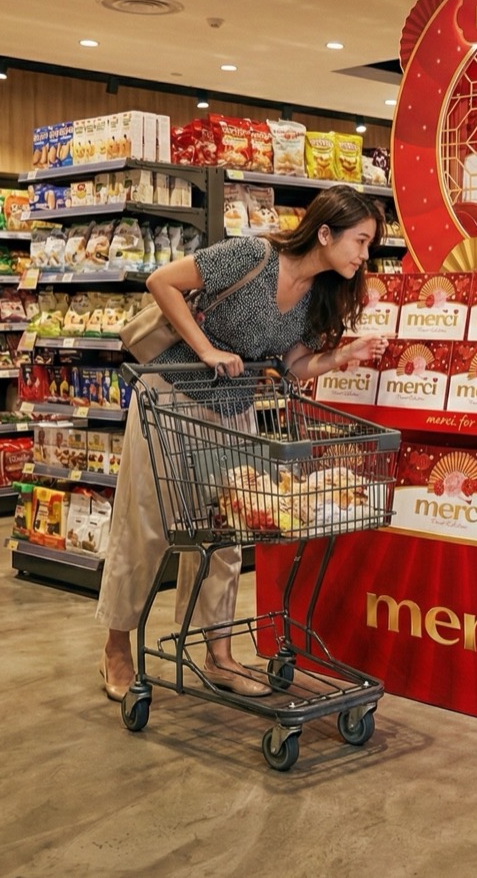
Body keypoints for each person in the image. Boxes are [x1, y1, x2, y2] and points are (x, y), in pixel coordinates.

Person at [98, 187, 390, 701]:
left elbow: (295, 366)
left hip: (234, 412)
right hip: (171, 399)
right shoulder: (252, 255)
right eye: (360, 241)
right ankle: (117, 646)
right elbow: (160, 281)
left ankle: (218, 653)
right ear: (325, 233)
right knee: (145, 526)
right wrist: (207, 348)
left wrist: (344, 356)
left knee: (230, 530)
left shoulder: (315, 295)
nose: (364, 255)